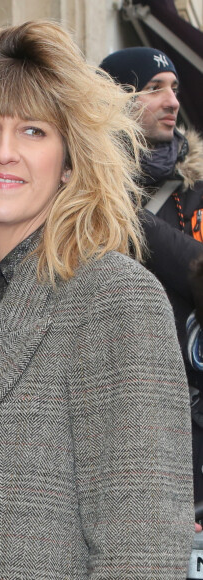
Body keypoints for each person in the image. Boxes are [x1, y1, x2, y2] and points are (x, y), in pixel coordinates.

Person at [0, 21, 193, 580]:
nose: (3, 152)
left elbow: (142, 549)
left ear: (70, 159)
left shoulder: (116, 298)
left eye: (33, 131)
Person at [100, 46, 203, 501]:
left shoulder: (196, 187)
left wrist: (126, 218)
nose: (172, 101)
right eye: (153, 88)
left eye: (175, 88)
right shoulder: (73, 195)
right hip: (118, 417)